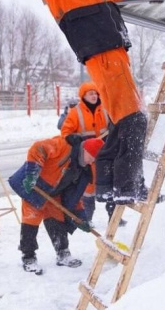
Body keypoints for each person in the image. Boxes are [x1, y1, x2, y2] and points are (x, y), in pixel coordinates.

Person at [3, 0, 160, 204]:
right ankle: (127, 185)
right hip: (100, 51)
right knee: (134, 120)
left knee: (121, 121)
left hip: (117, 49)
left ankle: (110, 185)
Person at [8, 136, 104, 275]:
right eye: (92, 156)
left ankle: (63, 253)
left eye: (95, 158)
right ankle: (28, 257)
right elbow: (38, 148)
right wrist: (31, 175)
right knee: (31, 220)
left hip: (54, 194)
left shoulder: (82, 170)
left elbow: (75, 197)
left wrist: (81, 219)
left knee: (57, 220)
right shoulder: (63, 146)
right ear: (85, 149)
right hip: (35, 187)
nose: (92, 160)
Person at [59, 82, 124, 226]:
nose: (94, 96)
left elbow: (116, 124)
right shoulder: (76, 112)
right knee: (88, 188)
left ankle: (114, 217)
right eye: (91, 94)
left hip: (105, 154)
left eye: (95, 93)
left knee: (109, 184)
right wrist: (71, 137)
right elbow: (65, 131)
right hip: (87, 156)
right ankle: (87, 217)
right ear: (83, 96)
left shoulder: (106, 109)